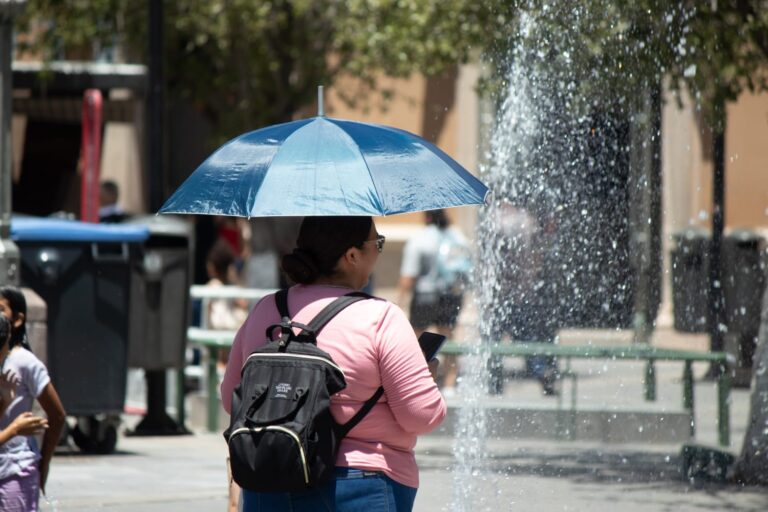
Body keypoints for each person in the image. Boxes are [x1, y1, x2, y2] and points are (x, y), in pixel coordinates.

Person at [220, 216, 446, 512]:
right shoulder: (380, 317)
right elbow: (422, 416)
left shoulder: (266, 310)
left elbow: (230, 399)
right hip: (361, 484)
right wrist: (424, 380)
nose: (379, 250)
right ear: (351, 256)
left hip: (271, 481)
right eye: (377, 243)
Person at [0, 286, 67, 511]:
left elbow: (57, 415)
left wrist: (43, 462)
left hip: (14, 470)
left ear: (17, 320)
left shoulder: (24, 363)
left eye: (1, 310)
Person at [398, 210, 470, 396]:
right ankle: (450, 383)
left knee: (414, 340)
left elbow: (409, 276)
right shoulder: (458, 237)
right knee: (448, 336)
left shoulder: (420, 239)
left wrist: (401, 302)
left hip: (425, 295)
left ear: (427, 217)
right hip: (451, 295)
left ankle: (411, 380)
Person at [490, 201, 558, 396]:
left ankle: (494, 380)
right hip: (524, 291)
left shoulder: (498, 222)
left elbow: (494, 260)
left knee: (494, 337)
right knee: (528, 336)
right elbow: (538, 256)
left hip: (502, 293)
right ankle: (541, 372)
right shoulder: (529, 221)